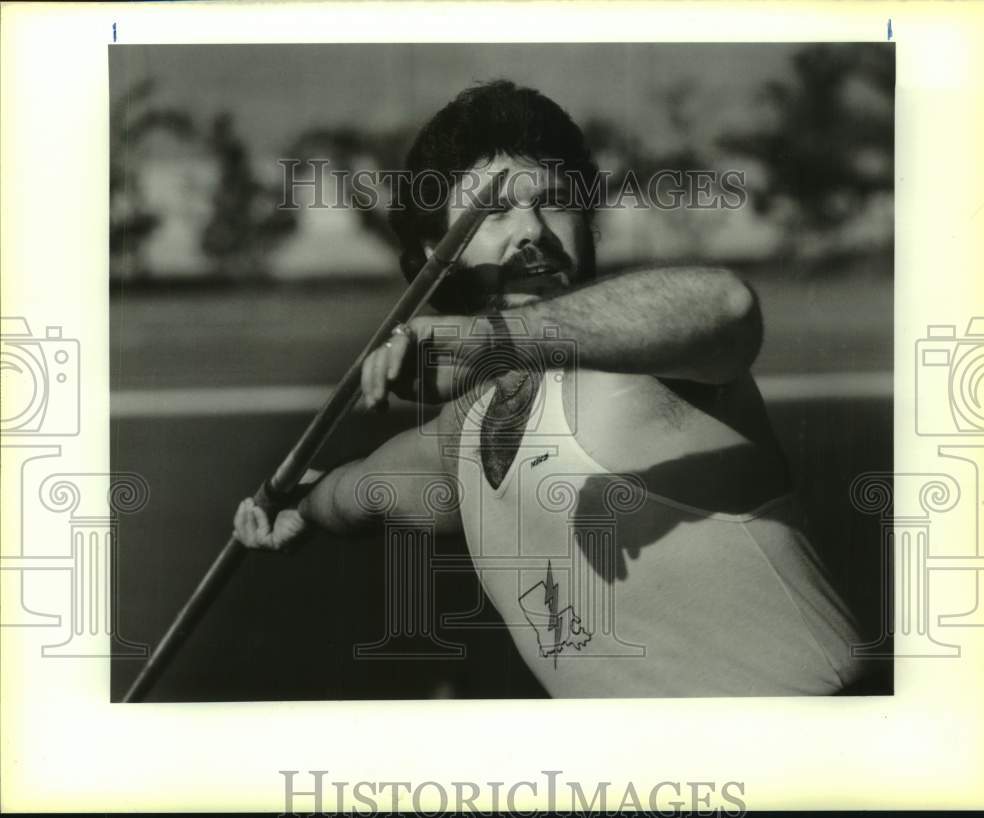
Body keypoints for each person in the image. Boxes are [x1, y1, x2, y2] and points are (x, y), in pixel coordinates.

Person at [233, 80, 863, 696]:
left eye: (554, 200)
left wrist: (489, 339)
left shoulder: (650, 364)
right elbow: (355, 496)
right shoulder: (462, 438)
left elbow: (727, 306)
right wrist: (298, 502)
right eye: (495, 210)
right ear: (437, 254)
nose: (532, 229)